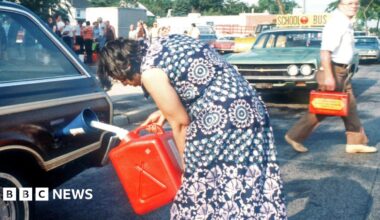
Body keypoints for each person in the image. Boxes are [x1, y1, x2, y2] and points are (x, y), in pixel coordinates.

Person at [97, 35, 287, 219]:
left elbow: (180, 124)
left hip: (223, 121)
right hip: (250, 111)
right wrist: (164, 111)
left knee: (200, 192)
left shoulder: (150, 73)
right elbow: (197, 81)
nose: (125, 84)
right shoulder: (166, 42)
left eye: (122, 78)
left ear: (127, 65)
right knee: (245, 182)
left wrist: (187, 169)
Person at [285, 0, 377, 154]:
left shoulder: (345, 22)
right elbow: (325, 51)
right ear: (340, 4)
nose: (354, 6)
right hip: (333, 70)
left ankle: (355, 143)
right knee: (324, 107)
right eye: (349, 3)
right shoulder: (337, 23)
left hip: (342, 71)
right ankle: (294, 136)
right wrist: (329, 76)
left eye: (356, 3)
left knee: (350, 106)